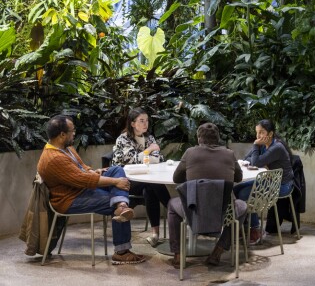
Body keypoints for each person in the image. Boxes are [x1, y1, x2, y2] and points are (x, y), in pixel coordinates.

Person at [37, 114, 146, 264]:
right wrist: (115, 182)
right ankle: (121, 251)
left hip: (80, 188)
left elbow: (81, 168)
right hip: (69, 199)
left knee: (116, 170)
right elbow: (83, 180)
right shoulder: (54, 158)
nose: (74, 133)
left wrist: (93, 171)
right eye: (72, 131)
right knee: (115, 199)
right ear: (62, 135)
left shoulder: (65, 147)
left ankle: (121, 205)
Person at [167, 123, 247, 268]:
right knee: (242, 206)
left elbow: (176, 179)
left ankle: (178, 254)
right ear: (218, 139)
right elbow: (238, 177)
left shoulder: (190, 153)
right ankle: (218, 250)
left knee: (172, 204)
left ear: (199, 139)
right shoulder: (229, 154)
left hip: (193, 210)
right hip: (223, 212)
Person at [111, 107, 170, 247]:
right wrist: (149, 151)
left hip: (145, 180)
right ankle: (173, 208)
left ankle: (155, 234)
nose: (145, 124)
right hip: (126, 182)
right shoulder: (123, 139)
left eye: (147, 121)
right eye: (141, 121)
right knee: (152, 184)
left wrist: (145, 156)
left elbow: (158, 158)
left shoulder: (148, 137)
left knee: (150, 187)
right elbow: (132, 160)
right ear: (132, 123)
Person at [235, 119, 294, 244]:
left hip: (282, 185)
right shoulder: (263, 145)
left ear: (270, 133)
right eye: (257, 133)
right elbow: (247, 158)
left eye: (261, 132)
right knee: (235, 190)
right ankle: (246, 227)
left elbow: (255, 162)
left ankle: (256, 229)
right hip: (267, 180)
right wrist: (260, 159)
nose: (258, 136)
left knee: (245, 194)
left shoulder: (276, 147)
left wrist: (256, 146)